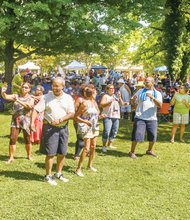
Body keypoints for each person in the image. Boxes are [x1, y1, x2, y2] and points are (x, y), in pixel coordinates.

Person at [31, 77, 74, 186]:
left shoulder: (68, 98)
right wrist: (32, 123)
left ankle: (58, 173)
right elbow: (36, 109)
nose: (55, 88)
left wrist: (60, 119)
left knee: (62, 152)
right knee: (51, 153)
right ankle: (48, 175)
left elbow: (71, 113)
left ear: (63, 86)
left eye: (57, 86)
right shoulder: (46, 97)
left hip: (63, 127)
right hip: (50, 128)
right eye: (53, 85)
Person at [129, 77, 162, 159]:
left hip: (152, 118)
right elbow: (132, 102)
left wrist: (152, 97)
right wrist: (133, 100)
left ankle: (149, 150)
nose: (145, 83)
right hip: (140, 116)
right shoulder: (140, 91)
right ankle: (132, 152)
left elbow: (160, 105)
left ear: (152, 83)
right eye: (145, 82)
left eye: (147, 82)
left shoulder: (157, 93)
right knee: (137, 134)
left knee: (152, 136)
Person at [1, 82, 34, 163]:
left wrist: (18, 101)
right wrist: (3, 92)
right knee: (12, 138)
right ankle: (11, 157)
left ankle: (29, 155)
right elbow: (5, 96)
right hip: (15, 120)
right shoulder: (16, 95)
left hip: (26, 120)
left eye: (26, 87)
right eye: (23, 87)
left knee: (27, 139)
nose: (24, 88)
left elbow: (29, 106)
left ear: (29, 89)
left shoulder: (31, 98)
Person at [75, 85, 100, 177]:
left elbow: (97, 113)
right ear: (91, 94)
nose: (97, 94)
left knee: (93, 146)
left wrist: (100, 117)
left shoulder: (94, 102)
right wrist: (86, 121)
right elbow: (76, 117)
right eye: (95, 93)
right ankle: (78, 169)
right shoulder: (85, 103)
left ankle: (90, 165)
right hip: (86, 127)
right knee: (86, 148)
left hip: (94, 126)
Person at [100, 84, 127, 153]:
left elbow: (122, 104)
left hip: (116, 116)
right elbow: (101, 105)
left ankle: (110, 144)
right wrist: (109, 101)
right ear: (107, 89)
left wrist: (120, 97)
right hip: (107, 116)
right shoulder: (105, 96)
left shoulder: (116, 96)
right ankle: (104, 146)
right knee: (106, 131)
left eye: (113, 88)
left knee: (114, 131)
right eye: (110, 88)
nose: (112, 90)